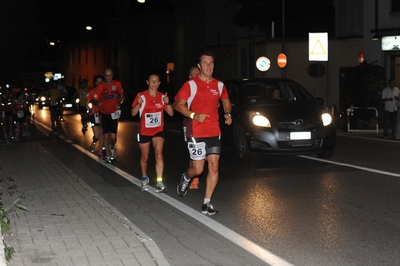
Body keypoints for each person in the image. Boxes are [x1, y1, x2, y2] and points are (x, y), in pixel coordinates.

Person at [174, 50, 232, 215]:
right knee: (198, 170)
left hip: (214, 131)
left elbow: (226, 100)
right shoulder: (190, 84)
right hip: (196, 131)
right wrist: (194, 115)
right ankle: (186, 178)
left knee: (213, 166)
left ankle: (206, 203)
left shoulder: (219, 85)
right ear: (199, 66)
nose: (209, 66)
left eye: (211, 63)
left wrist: (228, 114)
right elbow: (179, 105)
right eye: (205, 63)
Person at [131, 73, 174, 193]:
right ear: (147, 82)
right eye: (151, 80)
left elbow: (171, 113)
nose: (154, 83)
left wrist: (168, 102)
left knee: (159, 155)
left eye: (156, 81)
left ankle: (159, 181)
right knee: (145, 157)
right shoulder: (141, 96)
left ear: (159, 83)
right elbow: (133, 113)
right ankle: (144, 177)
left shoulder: (162, 97)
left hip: (158, 131)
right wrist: (139, 104)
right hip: (144, 131)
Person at [173, 66, 201, 189]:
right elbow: (175, 104)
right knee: (193, 151)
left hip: (205, 124)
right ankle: (193, 178)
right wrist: (187, 111)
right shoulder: (188, 86)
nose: (197, 76)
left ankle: (194, 173)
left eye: (198, 73)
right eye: (194, 74)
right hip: (189, 123)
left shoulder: (206, 85)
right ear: (190, 77)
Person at [95, 68, 125, 163]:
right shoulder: (100, 86)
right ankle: (108, 154)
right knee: (106, 136)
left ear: (112, 75)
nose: (108, 78)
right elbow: (94, 99)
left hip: (114, 114)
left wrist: (119, 102)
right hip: (104, 113)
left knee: (113, 137)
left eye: (110, 75)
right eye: (106, 76)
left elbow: (122, 95)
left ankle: (112, 147)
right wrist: (97, 102)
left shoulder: (117, 84)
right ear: (104, 76)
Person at [87, 75, 104, 156]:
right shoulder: (91, 92)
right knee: (96, 136)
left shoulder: (105, 92)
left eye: (101, 82)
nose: (99, 83)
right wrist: (90, 109)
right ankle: (94, 143)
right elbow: (87, 104)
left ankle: (100, 151)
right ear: (95, 82)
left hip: (103, 114)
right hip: (94, 115)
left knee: (102, 133)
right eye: (98, 81)